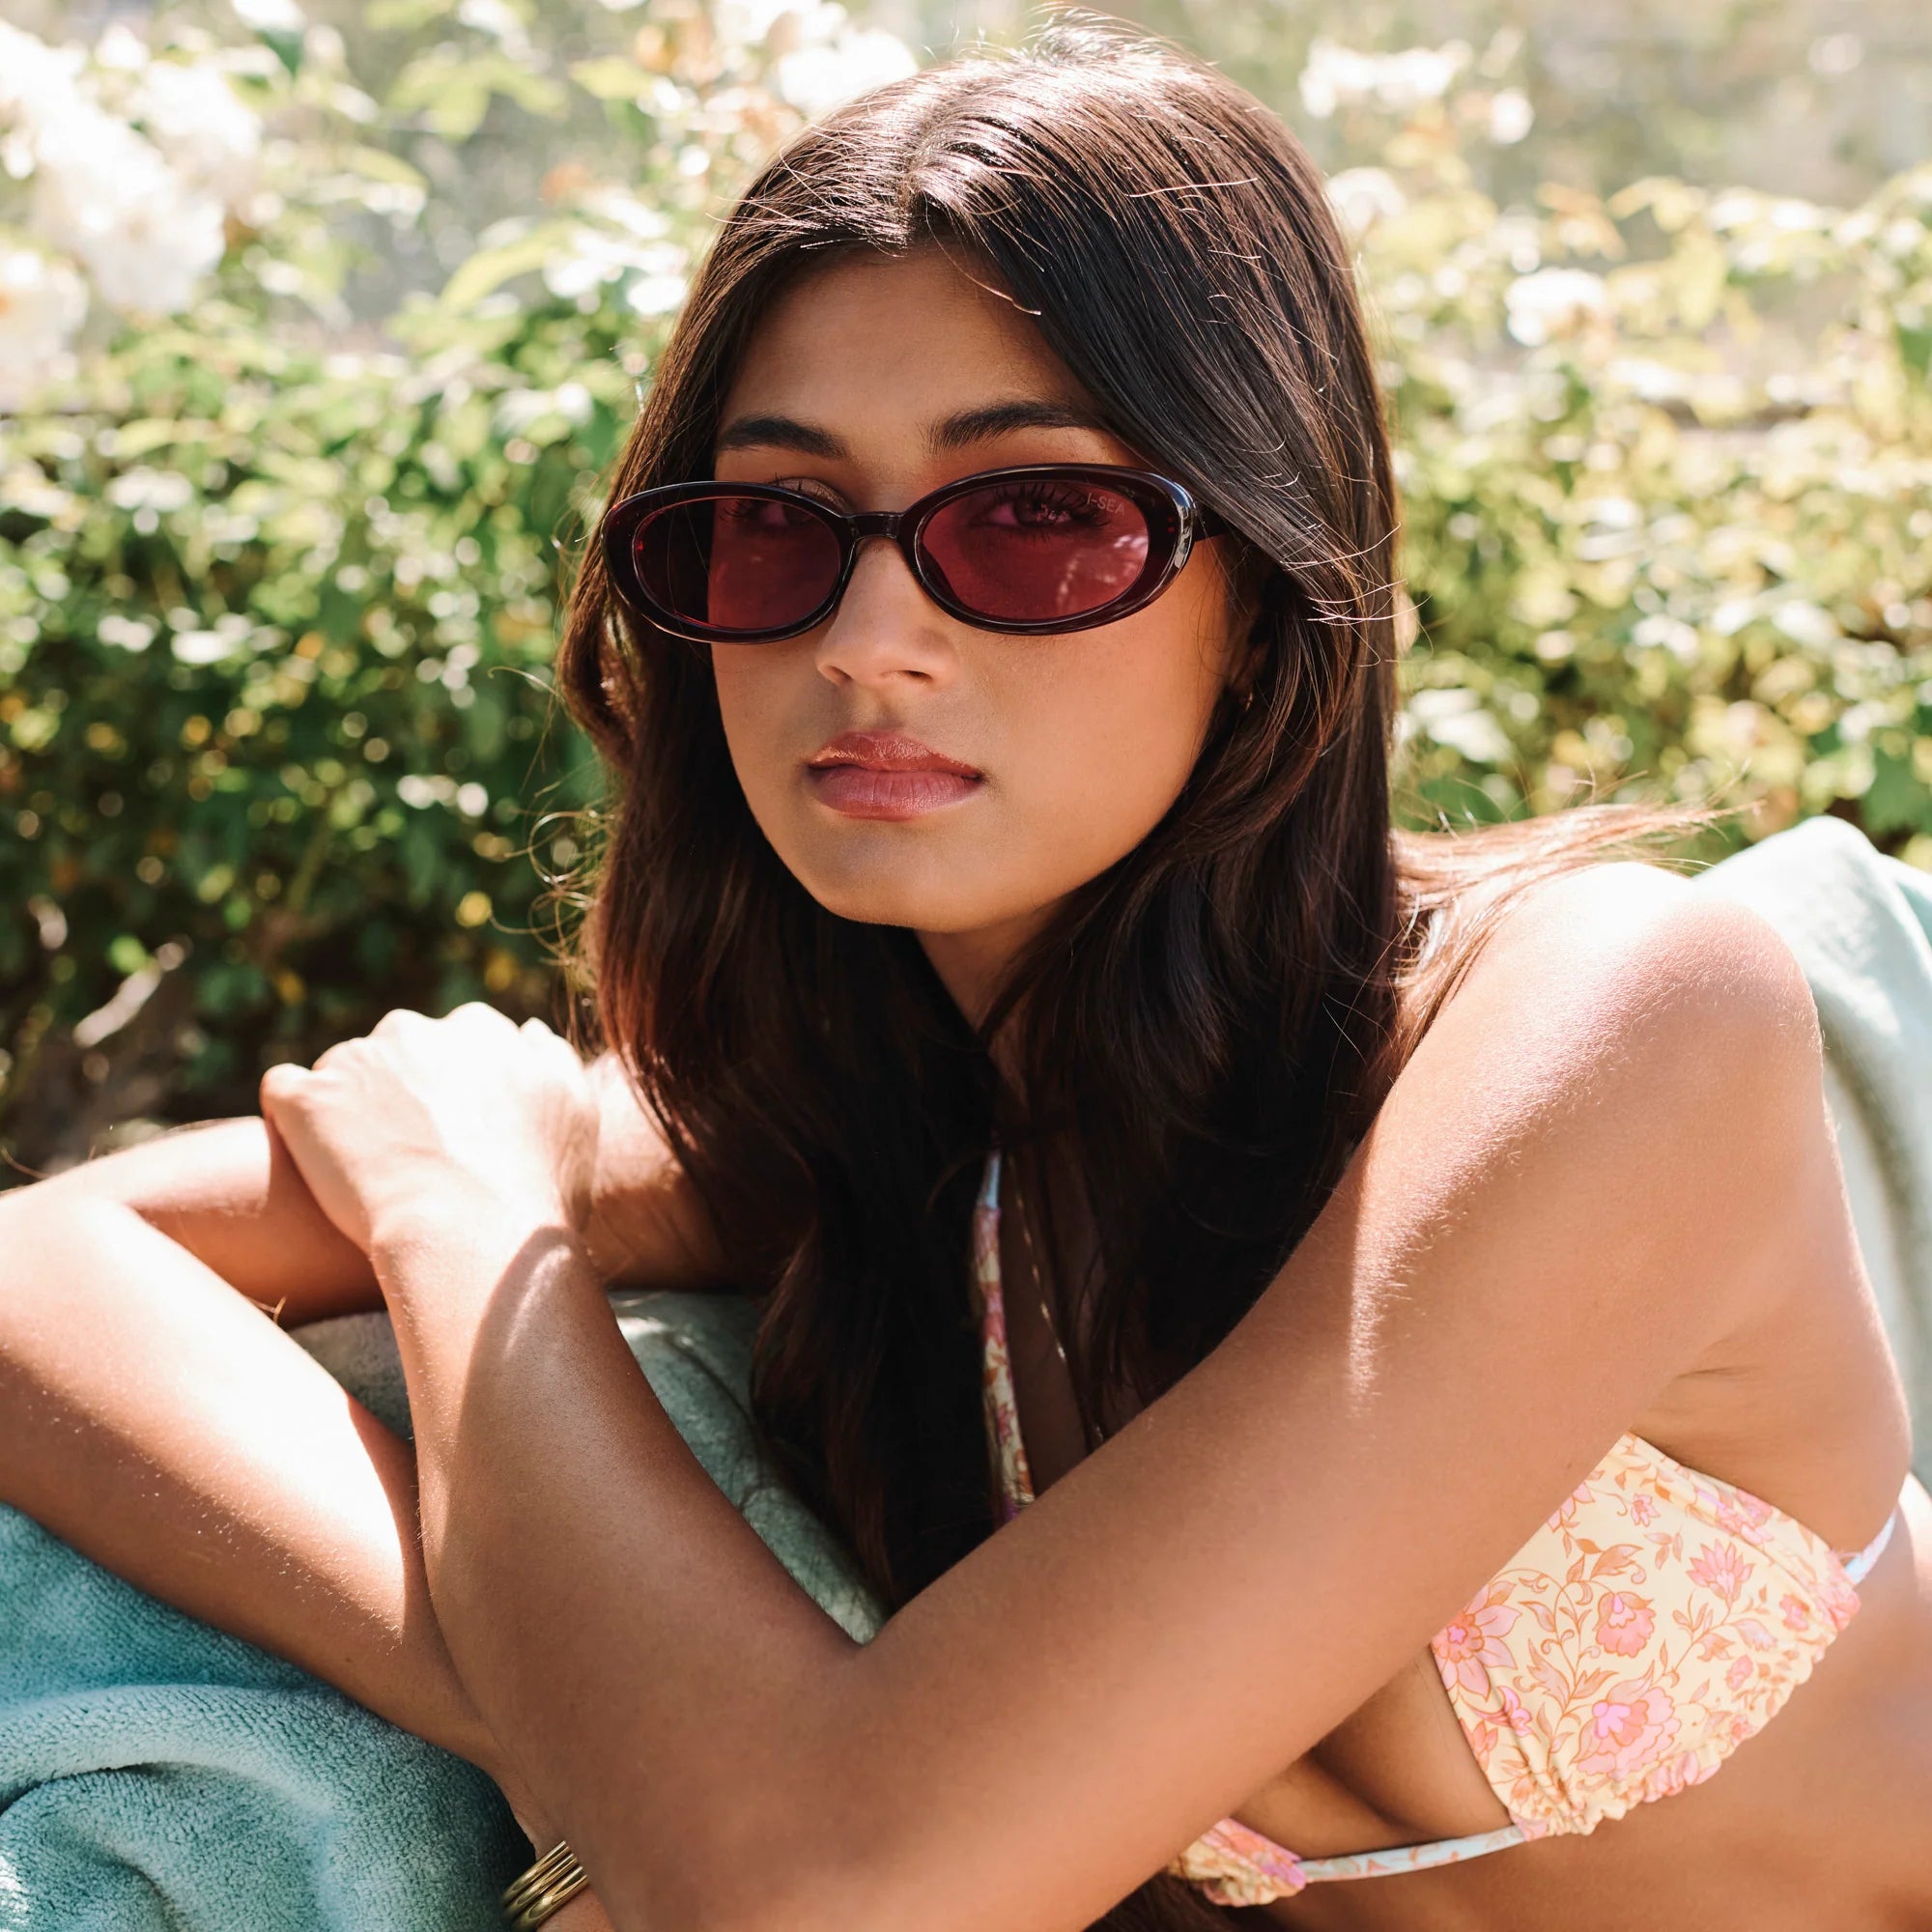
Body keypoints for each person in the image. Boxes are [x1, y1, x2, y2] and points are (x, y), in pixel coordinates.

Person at [2, 21, 1926, 1932]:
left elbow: (826, 1893)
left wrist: (461, 1234)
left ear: (1266, 587)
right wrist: (581, 1727)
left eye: (1034, 519)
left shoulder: (1620, 1019)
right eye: (771, 530)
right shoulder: (892, 1141)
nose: (867, 636)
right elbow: (44, 1271)